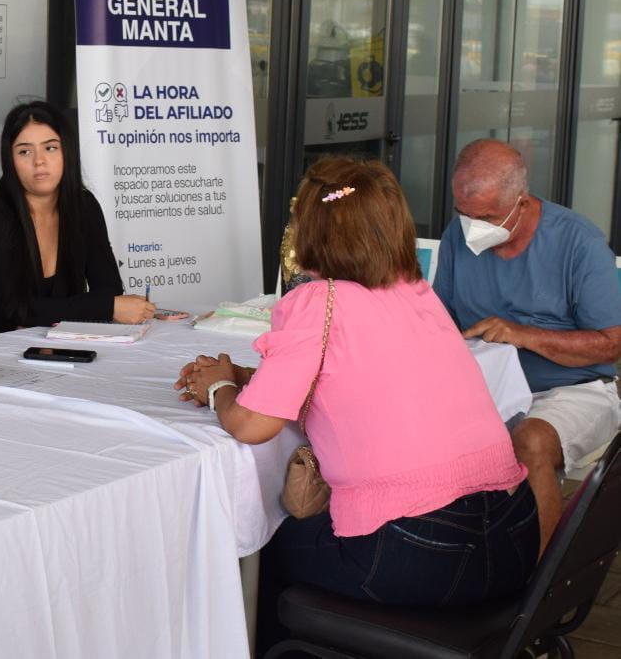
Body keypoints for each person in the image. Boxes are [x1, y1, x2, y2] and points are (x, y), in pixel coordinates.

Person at [180, 157, 536, 625]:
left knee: (257, 550)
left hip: (422, 550)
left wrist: (219, 387)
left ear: (311, 232)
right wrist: (249, 377)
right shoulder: (415, 291)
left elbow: (251, 426)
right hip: (514, 538)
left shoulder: (317, 301)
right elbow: (359, 377)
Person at [433, 138, 621, 550]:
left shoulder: (578, 243)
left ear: (520, 202)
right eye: (464, 214)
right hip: (485, 390)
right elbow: (439, 322)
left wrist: (523, 334)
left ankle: (537, 579)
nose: (472, 226)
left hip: (572, 390)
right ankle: (445, 560)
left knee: (530, 442)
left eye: (485, 217)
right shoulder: (457, 237)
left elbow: (611, 345)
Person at [0, 101, 152, 342]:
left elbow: (109, 288)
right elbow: (13, 310)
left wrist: (104, 305)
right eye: (25, 151)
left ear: (67, 151)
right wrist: (103, 307)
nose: (39, 161)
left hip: (50, 343)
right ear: (10, 160)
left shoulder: (84, 205)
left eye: (50, 148)